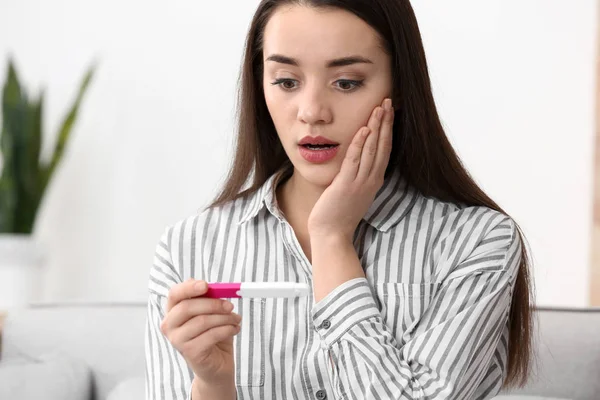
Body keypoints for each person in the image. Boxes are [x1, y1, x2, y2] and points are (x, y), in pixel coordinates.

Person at [144, 0, 534, 399]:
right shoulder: (187, 249)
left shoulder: (478, 242)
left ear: (398, 87)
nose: (312, 112)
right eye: (286, 82)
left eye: (346, 82)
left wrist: (332, 238)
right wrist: (213, 384)